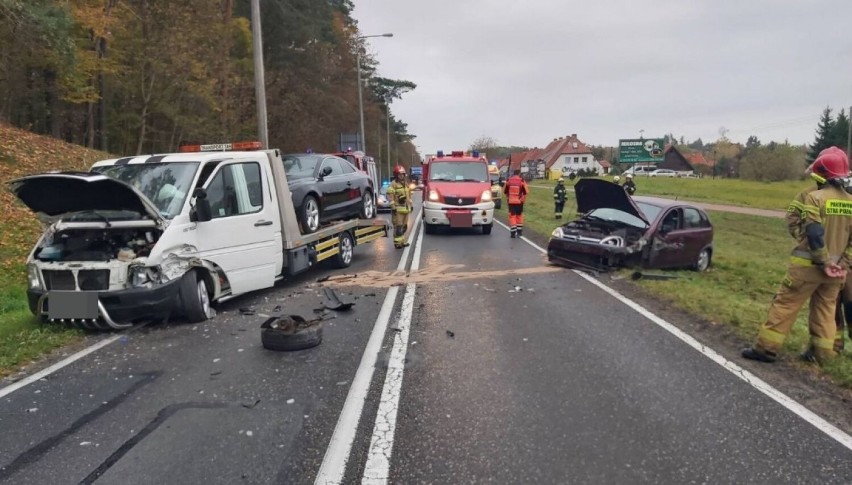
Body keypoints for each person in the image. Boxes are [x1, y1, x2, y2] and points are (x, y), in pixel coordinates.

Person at [742, 147, 852, 365]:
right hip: (837, 272)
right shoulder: (850, 201)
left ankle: (765, 349)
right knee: (825, 314)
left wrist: (823, 262)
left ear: (820, 173)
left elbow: (813, 232)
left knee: (785, 305)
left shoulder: (814, 198)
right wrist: (841, 264)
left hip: (808, 266)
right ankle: (824, 358)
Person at [389, 165, 412, 249]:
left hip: (406, 209)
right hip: (398, 210)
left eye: (402, 174)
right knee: (398, 228)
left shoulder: (405, 184)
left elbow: (409, 196)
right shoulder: (393, 184)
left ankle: (402, 242)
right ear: (396, 175)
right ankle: (397, 243)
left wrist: (411, 205)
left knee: (404, 227)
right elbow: (390, 196)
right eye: (399, 174)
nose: (401, 176)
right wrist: (393, 207)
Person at [504, 169, 529, 238]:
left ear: (513, 173)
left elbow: (505, 191)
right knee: (519, 216)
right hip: (519, 202)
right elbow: (526, 191)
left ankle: (513, 233)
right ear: (519, 174)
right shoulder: (521, 181)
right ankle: (519, 232)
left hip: (511, 202)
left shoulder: (509, 180)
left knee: (512, 216)